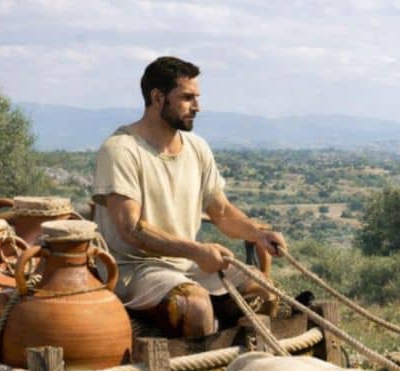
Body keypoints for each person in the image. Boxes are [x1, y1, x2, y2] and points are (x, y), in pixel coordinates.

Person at [92, 56, 287, 337]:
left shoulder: (197, 148)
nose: (197, 107)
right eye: (187, 98)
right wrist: (196, 251)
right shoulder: (121, 150)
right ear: (158, 97)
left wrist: (258, 233)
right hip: (134, 269)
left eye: (196, 97)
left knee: (264, 292)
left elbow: (221, 211)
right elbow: (131, 229)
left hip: (185, 265)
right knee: (194, 307)